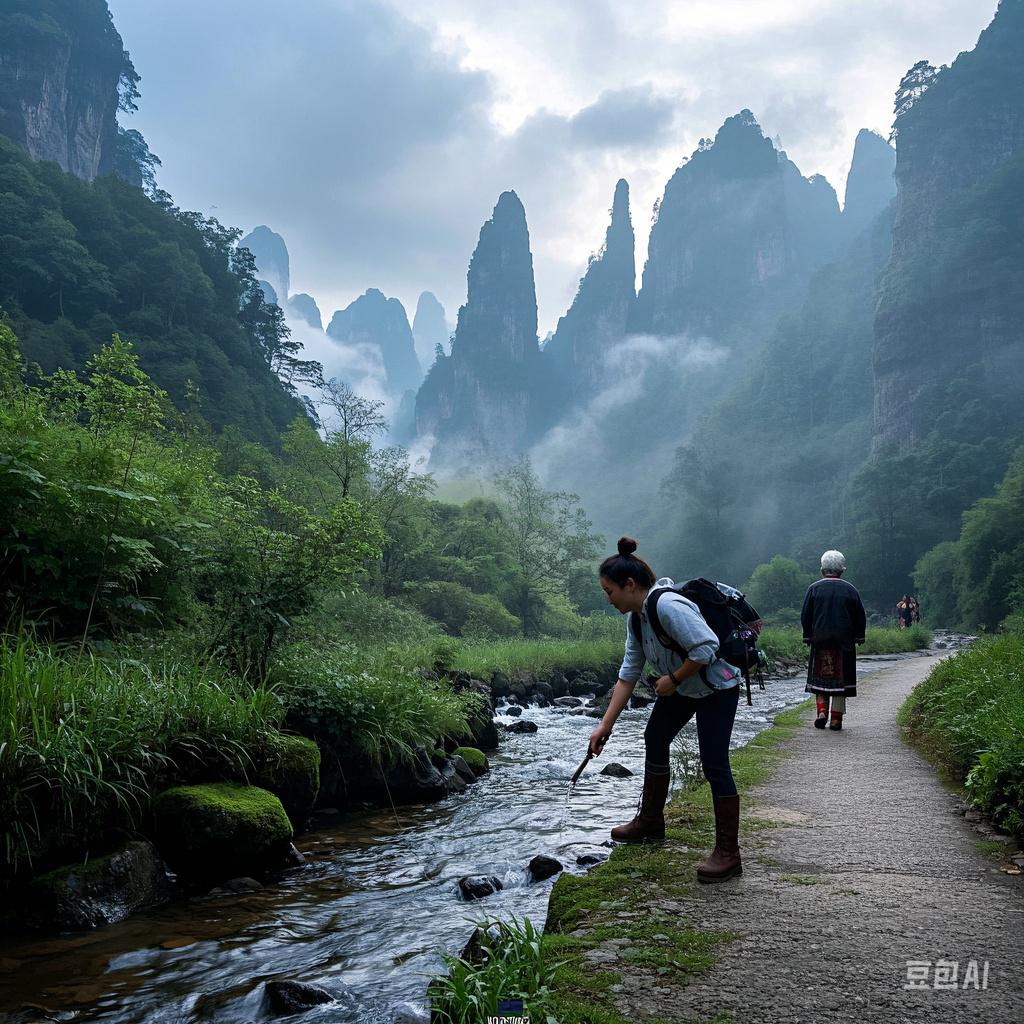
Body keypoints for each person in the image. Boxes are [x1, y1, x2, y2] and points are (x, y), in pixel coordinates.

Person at [588, 537, 743, 883]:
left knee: (714, 762)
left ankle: (728, 853)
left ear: (630, 585)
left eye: (609, 591)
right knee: (655, 737)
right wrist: (604, 727)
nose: (608, 599)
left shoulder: (668, 606)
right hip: (684, 686)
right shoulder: (636, 619)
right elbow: (628, 675)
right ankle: (651, 821)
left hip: (716, 687)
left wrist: (673, 679)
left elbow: (707, 647)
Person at [802, 550, 866, 731]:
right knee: (841, 681)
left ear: (822, 570)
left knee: (820, 678)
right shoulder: (851, 590)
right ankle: (836, 720)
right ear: (842, 571)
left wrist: (807, 636)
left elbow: (806, 615)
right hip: (844, 642)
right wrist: (859, 636)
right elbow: (860, 616)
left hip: (820, 640)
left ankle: (822, 711)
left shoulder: (814, 589)